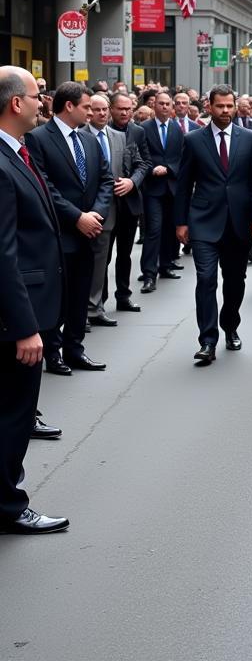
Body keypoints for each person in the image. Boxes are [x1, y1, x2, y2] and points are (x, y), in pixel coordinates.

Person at [0, 66, 69, 534]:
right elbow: (3, 253)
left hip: (24, 306)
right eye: (37, 94)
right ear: (15, 103)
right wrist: (25, 327)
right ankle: (9, 506)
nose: (43, 101)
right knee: (13, 414)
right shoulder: (3, 165)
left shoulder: (17, 154)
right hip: (15, 320)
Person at [175, 85, 252, 365]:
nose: (226, 111)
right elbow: (183, 185)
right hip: (204, 221)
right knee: (205, 279)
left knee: (235, 281)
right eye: (220, 106)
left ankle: (230, 325)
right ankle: (207, 340)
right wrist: (181, 222)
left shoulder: (250, 138)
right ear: (209, 107)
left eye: (230, 106)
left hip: (239, 223)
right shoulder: (193, 140)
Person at [26, 81, 112, 374]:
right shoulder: (38, 138)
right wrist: (77, 216)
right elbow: (44, 185)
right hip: (60, 232)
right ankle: (53, 352)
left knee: (79, 295)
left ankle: (75, 349)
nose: (91, 112)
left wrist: (96, 215)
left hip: (90, 232)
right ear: (70, 106)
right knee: (57, 297)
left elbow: (105, 180)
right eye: (87, 107)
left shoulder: (88, 139)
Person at [85, 94, 140, 326]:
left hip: (120, 207)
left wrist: (131, 181)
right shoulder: (81, 135)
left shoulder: (119, 137)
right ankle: (86, 309)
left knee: (107, 259)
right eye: (95, 110)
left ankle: (95, 308)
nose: (101, 114)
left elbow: (138, 162)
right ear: (89, 112)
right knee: (92, 260)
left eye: (104, 109)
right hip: (90, 209)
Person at [107, 92, 151, 313]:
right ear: (111, 109)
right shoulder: (102, 131)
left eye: (128, 109)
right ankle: (98, 301)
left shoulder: (138, 131)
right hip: (105, 203)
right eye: (120, 109)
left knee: (124, 254)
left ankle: (123, 296)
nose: (125, 113)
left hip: (129, 201)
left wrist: (132, 182)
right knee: (103, 255)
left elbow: (145, 163)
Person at [139, 91, 186, 294]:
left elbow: (182, 156)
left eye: (168, 104)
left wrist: (169, 168)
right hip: (152, 188)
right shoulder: (144, 129)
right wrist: (152, 169)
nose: (165, 107)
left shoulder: (177, 129)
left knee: (169, 228)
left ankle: (165, 265)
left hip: (172, 186)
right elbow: (140, 155)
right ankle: (149, 274)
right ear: (154, 106)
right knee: (154, 230)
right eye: (161, 103)